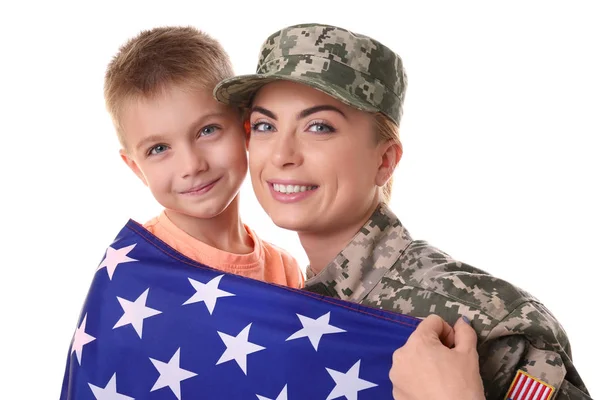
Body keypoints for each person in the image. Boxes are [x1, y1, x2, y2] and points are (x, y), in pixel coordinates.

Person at [214, 23, 592, 399]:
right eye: (264, 125)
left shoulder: (485, 320)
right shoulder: (281, 307)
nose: (281, 155)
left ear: (385, 161)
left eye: (319, 127)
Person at [103, 26, 303, 288]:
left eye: (207, 131)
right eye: (159, 149)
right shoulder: (131, 267)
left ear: (246, 128)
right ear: (136, 168)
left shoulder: (284, 270)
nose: (192, 165)